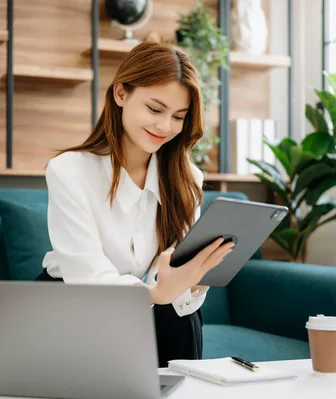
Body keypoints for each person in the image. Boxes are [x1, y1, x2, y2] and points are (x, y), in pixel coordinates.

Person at [35, 41, 235, 367]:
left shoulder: (187, 178)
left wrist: (193, 279)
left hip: (152, 303)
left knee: (178, 315)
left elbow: (172, 285)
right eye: (155, 109)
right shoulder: (69, 170)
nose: (165, 127)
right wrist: (157, 294)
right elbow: (88, 279)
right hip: (74, 299)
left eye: (178, 117)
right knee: (162, 305)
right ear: (120, 95)